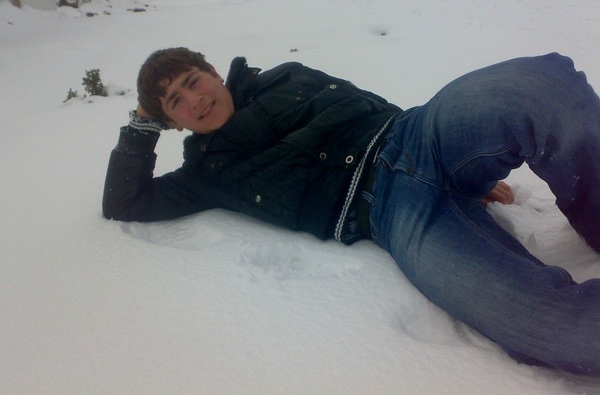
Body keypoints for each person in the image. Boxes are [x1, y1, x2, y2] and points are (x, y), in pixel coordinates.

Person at [103, 48, 600, 376]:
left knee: (544, 83)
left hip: (416, 134)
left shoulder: (285, 76)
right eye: (176, 102)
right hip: (394, 216)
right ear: (172, 122)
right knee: (542, 325)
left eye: (194, 81)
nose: (195, 99)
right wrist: (141, 123)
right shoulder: (204, 173)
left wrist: (467, 159)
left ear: (213, 72)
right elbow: (124, 201)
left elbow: (366, 103)